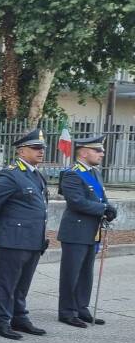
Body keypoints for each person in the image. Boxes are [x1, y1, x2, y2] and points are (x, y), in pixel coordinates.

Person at [0, 129, 50, 339]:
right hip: (14, 238)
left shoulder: (36, 174)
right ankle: (1, 322)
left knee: (23, 283)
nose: (41, 152)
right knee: (7, 282)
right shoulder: (11, 174)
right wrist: (12, 222)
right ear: (21, 151)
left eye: (42, 148)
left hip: (33, 239)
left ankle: (19, 317)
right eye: (35, 148)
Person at [57, 135, 117, 327]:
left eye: (101, 150)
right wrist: (102, 209)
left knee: (85, 273)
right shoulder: (72, 174)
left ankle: (81, 308)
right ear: (83, 152)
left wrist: (109, 208)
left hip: (92, 230)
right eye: (97, 150)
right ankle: (67, 311)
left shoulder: (95, 173)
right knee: (71, 272)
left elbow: (101, 198)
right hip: (76, 231)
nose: (102, 153)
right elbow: (76, 201)